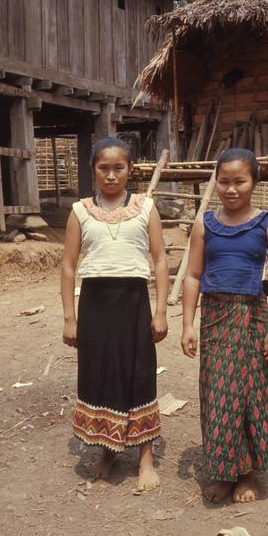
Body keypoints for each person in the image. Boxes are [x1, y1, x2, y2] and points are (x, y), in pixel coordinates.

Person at [61, 137, 168, 492]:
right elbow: (68, 266)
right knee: (101, 373)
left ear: (130, 170)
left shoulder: (145, 207)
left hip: (134, 302)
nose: (111, 175)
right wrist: (69, 318)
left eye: (118, 168)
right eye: (103, 168)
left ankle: (145, 457)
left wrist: (161, 311)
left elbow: (160, 260)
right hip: (94, 305)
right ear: (93, 170)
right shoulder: (79, 211)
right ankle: (108, 450)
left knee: (139, 371)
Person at [181, 148, 268, 503]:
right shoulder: (204, 225)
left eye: (239, 181)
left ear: (254, 182)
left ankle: (247, 474)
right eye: (223, 181)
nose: (230, 189)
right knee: (218, 394)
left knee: (251, 394)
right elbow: (193, 276)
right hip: (215, 317)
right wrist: (188, 324)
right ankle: (224, 472)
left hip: (252, 316)